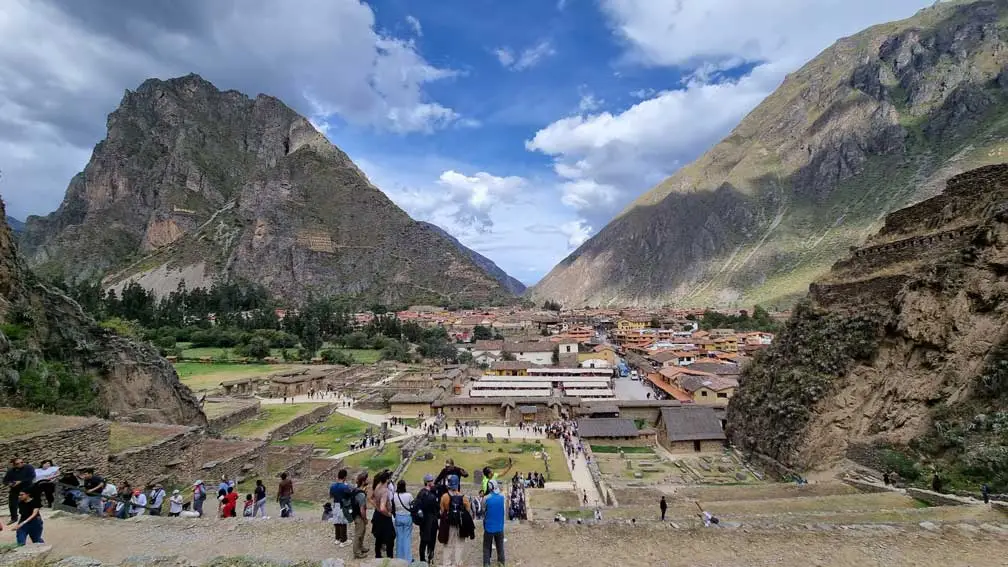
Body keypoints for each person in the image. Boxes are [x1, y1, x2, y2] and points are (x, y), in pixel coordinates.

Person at [438, 475, 473, 567]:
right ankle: (458, 563)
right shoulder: (463, 497)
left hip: (448, 523)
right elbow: (468, 509)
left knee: (448, 543)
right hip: (460, 524)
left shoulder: (444, 496)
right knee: (460, 543)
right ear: (457, 484)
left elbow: (442, 510)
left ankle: (447, 563)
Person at [370, 470, 395, 558]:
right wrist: (388, 514)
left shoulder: (377, 486)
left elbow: (371, 498)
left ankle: (378, 555)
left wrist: (377, 508)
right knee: (390, 537)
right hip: (384, 517)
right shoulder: (385, 491)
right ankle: (389, 557)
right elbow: (382, 507)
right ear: (387, 479)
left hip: (378, 515)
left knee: (379, 536)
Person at [416, 473, 440, 565]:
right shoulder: (425, 494)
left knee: (430, 540)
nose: (433, 482)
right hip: (427, 519)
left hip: (430, 519)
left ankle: (429, 558)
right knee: (425, 540)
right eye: (431, 481)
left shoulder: (424, 493)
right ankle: (424, 559)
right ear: (428, 482)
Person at [482, 479, 506, 567]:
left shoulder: (486, 498)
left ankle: (487, 563)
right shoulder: (502, 497)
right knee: (500, 546)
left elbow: (483, 509)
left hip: (489, 527)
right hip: (499, 527)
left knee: (486, 547)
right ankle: (501, 563)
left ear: (489, 487)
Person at [4, 458, 35, 523]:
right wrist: (9, 483)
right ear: (14, 465)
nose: (20, 464)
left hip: (27, 487)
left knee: (29, 502)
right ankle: (14, 518)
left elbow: (32, 476)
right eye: (18, 463)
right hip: (15, 489)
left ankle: (32, 516)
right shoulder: (11, 471)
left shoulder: (28, 467)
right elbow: (5, 481)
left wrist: (20, 481)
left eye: (22, 462)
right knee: (12, 503)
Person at [393, 479, 414, 563]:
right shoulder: (409, 495)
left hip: (398, 517)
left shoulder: (395, 495)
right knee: (407, 538)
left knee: (399, 538)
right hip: (407, 516)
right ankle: (407, 558)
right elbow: (412, 505)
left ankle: (399, 558)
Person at [351, 472, 370, 560]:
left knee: (362, 532)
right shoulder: (361, 494)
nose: (368, 480)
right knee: (358, 534)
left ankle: (361, 547)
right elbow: (362, 509)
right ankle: (357, 553)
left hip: (356, 514)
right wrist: (365, 519)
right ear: (363, 481)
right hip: (359, 516)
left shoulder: (356, 490)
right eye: (366, 479)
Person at [329, 469, 350, 547]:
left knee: (336, 522)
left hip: (335, 505)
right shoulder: (345, 487)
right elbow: (348, 497)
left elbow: (331, 496)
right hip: (342, 505)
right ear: (344, 477)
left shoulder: (332, 486)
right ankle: (343, 541)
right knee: (343, 523)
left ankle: (337, 539)